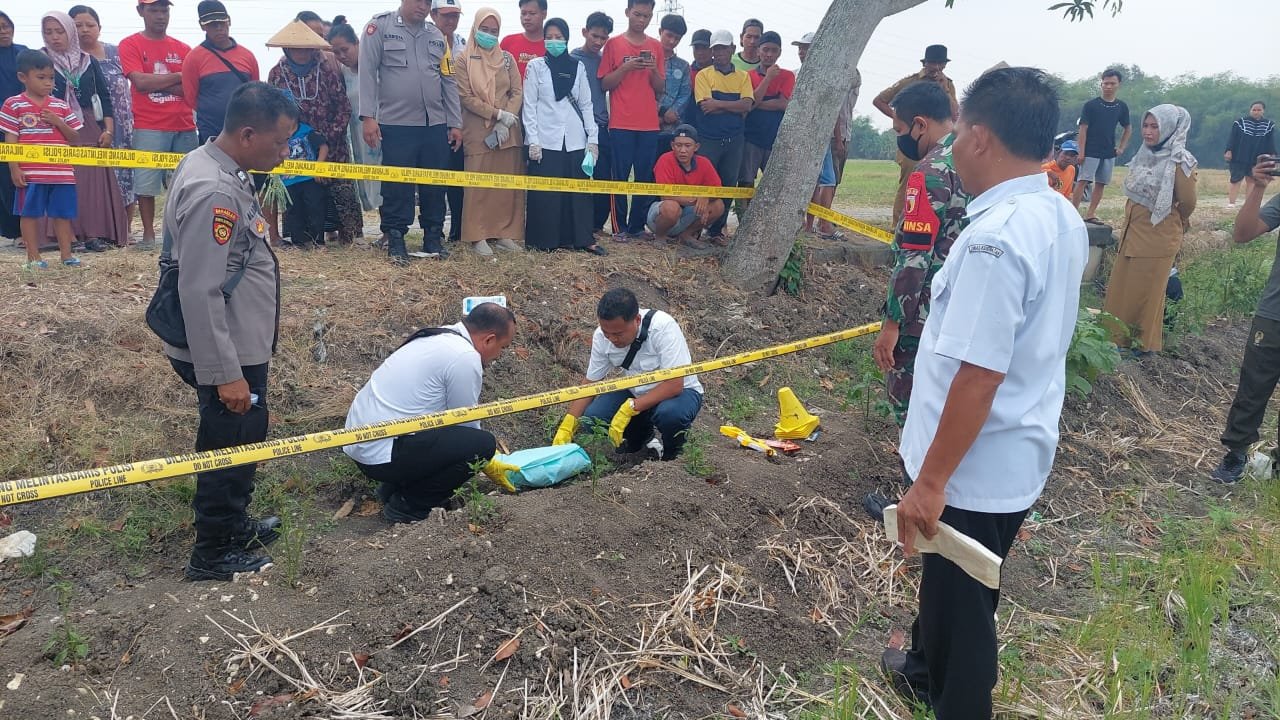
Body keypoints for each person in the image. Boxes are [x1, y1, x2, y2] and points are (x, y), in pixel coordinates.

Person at [881, 67, 1086, 719]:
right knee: (956, 595)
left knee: (962, 616)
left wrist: (931, 482)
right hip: (1014, 449)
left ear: (979, 138)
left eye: (960, 132)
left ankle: (959, 703)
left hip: (971, 469)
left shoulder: (995, 241)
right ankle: (921, 669)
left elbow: (978, 374)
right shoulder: (1056, 210)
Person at [162, 82, 296, 581]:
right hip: (227, 350)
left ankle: (235, 525)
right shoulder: (214, 191)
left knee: (244, 436)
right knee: (226, 443)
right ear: (246, 134)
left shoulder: (220, 168)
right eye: (280, 143)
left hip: (240, 342)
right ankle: (213, 552)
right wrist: (226, 375)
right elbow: (200, 291)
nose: (285, 153)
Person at [343, 303, 519, 524]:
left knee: (444, 433)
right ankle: (410, 505)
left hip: (360, 441)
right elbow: (465, 423)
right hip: (381, 453)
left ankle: (392, 489)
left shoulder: (439, 336)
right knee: (481, 444)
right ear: (489, 340)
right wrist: (488, 459)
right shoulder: (464, 357)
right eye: (502, 348)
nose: (498, 355)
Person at [868, 81, 969, 433]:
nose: (900, 137)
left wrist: (893, 324)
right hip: (964, 306)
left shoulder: (928, 174)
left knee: (913, 413)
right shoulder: (973, 162)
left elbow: (913, 257)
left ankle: (913, 486)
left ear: (920, 124)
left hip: (923, 314)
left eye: (900, 129)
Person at [360, 0, 463, 265]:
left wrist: (455, 123)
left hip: (434, 123)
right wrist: (368, 117)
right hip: (396, 123)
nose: (422, 6)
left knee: (434, 182)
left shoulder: (437, 36)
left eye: (428, 2)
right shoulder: (378, 27)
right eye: (418, 0)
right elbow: (368, 73)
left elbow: (448, 80)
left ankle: (432, 237)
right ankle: (395, 239)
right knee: (397, 185)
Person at [550, 287, 704, 461]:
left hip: (680, 394)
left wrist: (631, 408)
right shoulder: (602, 338)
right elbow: (590, 385)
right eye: (606, 333)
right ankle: (643, 442)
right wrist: (568, 424)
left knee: (670, 414)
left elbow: (674, 385)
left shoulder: (662, 328)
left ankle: (673, 455)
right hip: (636, 392)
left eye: (618, 333)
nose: (612, 339)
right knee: (593, 417)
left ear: (637, 320)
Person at [1102, 105, 1198, 355]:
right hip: (1133, 233)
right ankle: (1116, 340)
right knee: (1122, 289)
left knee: (1145, 295)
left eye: (1155, 126)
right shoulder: (1144, 154)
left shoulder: (1180, 160)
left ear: (1169, 128)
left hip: (1158, 236)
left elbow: (1187, 202)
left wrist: (1175, 221)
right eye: (1145, 125)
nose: (1148, 131)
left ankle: (1140, 348)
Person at [1210, 154, 1280, 483]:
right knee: (1253, 387)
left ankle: (1275, 463)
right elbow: (1242, 233)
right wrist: (1257, 188)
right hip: (1274, 313)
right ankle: (1236, 454)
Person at [267, 21, 363, 246]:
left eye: (306, 47)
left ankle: (348, 236)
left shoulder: (327, 72)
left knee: (339, 188)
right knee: (300, 194)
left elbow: (343, 106)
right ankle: (303, 238)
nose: (301, 52)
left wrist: (328, 136)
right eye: (296, 47)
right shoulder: (276, 75)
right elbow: (270, 111)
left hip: (331, 142)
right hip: (294, 148)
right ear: (287, 49)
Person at [40, 11, 127, 251]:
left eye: (60, 31)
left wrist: (108, 130)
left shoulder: (88, 61)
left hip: (89, 126)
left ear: (70, 32)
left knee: (91, 180)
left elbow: (105, 99)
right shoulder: (41, 59)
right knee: (59, 177)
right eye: (49, 32)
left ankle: (94, 233)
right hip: (51, 125)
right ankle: (61, 235)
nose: (55, 37)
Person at [523, 17, 605, 255]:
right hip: (546, 140)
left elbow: (587, 104)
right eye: (549, 37)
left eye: (559, 37)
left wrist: (593, 140)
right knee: (547, 194)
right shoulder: (536, 66)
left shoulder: (577, 67)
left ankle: (581, 239)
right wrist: (533, 140)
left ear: (567, 39)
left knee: (578, 194)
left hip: (575, 140)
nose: (554, 41)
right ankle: (545, 241)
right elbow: (529, 106)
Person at [119, 0, 196, 248]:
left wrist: (158, 80)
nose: (160, 16)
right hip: (148, 123)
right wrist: (176, 76)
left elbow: (191, 88)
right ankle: (149, 234)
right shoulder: (130, 44)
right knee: (146, 184)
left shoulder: (184, 48)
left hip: (184, 124)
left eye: (164, 10)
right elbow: (139, 82)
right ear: (141, 12)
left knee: (189, 182)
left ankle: (183, 232)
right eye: (154, 10)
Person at [1, 49, 84, 269]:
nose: (47, 83)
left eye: (51, 78)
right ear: (22, 77)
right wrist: (14, 168)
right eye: (41, 77)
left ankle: (67, 255)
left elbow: (75, 136)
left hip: (62, 173)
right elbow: (11, 139)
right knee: (29, 214)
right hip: (31, 173)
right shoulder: (13, 104)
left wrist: (58, 121)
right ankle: (33, 257)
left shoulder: (61, 105)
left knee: (63, 214)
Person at [455, 7, 525, 255]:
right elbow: (466, 97)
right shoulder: (463, 59)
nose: (489, 35)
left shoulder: (507, 58)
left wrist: (506, 120)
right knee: (479, 185)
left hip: (507, 131)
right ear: (475, 28)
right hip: (478, 129)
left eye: (494, 31)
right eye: (484, 30)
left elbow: (517, 91)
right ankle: (478, 235)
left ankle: (504, 233)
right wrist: (496, 115)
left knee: (505, 185)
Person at [873, 44, 958, 226]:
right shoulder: (910, 82)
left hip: (937, 144)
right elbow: (879, 100)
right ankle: (897, 228)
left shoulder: (948, 84)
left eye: (940, 63)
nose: (936, 67)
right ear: (925, 63)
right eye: (932, 63)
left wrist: (945, 90)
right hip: (913, 139)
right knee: (908, 186)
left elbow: (955, 114)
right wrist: (902, 121)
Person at [599, 0, 663, 240]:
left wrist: (654, 69)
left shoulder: (655, 47)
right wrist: (626, 68)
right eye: (637, 14)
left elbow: (660, 88)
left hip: (649, 124)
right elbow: (604, 83)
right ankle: (619, 227)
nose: (641, 20)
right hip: (621, 123)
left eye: (647, 16)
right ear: (627, 13)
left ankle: (637, 226)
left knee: (644, 177)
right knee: (620, 176)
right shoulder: (614, 44)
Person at [71, 5, 136, 237]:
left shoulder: (117, 52)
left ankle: (124, 231)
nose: (84, 30)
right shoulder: (68, 59)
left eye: (90, 25)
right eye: (77, 25)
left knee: (125, 176)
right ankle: (94, 230)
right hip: (89, 126)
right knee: (95, 178)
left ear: (99, 28)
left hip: (124, 124)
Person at [692, 30, 752, 244]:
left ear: (732, 49)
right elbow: (705, 107)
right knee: (704, 185)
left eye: (723, 48)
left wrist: (718, 103)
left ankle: (716, 231)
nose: (719, 53)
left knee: (727, 184)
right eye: (715, 48)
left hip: (735, 140)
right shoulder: (704, 75)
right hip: (709, 139)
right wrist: (733, 106)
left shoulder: (743, 76)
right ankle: (695, 229)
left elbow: (747, 105)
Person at [182, 0, 258, 144]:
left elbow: (254, 93)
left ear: (229, 21)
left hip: (243, 130)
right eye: (212, 24)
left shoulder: (247, 56)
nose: (219, 28)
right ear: (202, 26)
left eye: (222, 23)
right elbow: (191, 97)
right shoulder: (194, 57)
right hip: (210, 132)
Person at [571, 11, 618, 235]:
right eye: (595, 36)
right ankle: (576, 223)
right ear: (584, 32)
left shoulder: (605, 62)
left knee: (602, 177)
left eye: (603, 38)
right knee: (577, 177)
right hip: (575, 128)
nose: (598, 42)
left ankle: (598, 225)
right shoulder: (571, 59)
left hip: (600, 127)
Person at [327, 23, 382, 214]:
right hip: (358, 136)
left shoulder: (376, 67)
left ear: (357, 43)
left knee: (386, 179)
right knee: (368, 181)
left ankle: (390, 230)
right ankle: (384, 229)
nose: (342, 56)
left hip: (381, 132)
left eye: (345, 50)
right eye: (337, 52)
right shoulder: (343, 71)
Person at [793, 32, 840, 239]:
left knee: (826, 179)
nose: (802, 52)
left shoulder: (829, 77)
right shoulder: (794, 75)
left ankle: (820, 222)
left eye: (806, 48)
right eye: (800, 48)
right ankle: (806, 223)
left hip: (821, 138)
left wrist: (837, 137)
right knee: (807, 180)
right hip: (799, 135)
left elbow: (834, 110)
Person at [646, 124, 723, 247]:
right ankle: (660, 237)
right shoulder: (665, 159)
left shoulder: (704, 162)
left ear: (696, 147)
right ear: (672, 146)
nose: (683, 150)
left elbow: (717, 190)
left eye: (688, 146)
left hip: (687, 213)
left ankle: (686, 235)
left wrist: (707, 198)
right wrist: (700, 199)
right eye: (678, 145)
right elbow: (665, 196)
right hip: (661, 215)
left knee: (718, 205)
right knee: (671, 207)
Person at [1071, 68, 1131, 223]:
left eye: (1112, 83)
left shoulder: (1121, 107)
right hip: (1091, 149)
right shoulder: (1091, 105)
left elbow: (1128, 128)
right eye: (1105, 83)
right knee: (1083, 181)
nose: (1108, 86)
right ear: (1101, 84)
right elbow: (1083, 129)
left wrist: (1121, 147)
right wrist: (1081, 151)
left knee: (1101, 183)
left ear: (1119, 85)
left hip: (1108, 151)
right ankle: (1073, 214)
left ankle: (1090, 213)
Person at [739, 31, 793, 200]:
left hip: (776, 139)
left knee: (776, 184)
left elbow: (783, 104)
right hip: (751, 137)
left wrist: (755, 104)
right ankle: (743, 221)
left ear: (780, 52)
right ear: (758, 51)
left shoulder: (787, 75)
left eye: (774, 50)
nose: (769, 54)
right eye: (766, 50)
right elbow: (750, 103)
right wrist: (768, 78)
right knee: (746, 181)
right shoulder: (748, 76)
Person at [430, 0, 467, 243]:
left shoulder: (464, 44)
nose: (451, 21)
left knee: (458, 180)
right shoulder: (425, 40)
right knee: (435, 182)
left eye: (455, 16)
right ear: (433, 15)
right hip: (432, 123)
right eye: (446, 16)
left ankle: (458, 230)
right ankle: (434, 230)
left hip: (458, 123)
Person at [280, 116, 330, 249]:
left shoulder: (307, 131)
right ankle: (299, 242)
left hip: (309, 180)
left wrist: (318, 168)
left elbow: (323, 146)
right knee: (293, 211)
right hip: (288, 181)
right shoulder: (277, 133)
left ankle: (318, 241)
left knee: (315, 209)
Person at [0, 11, 28, 240]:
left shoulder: (23, 53)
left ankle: (24, 229)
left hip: (24, 124)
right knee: (3, 178)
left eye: (6, 26)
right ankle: (9, 229)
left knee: (22, 175)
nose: (3, 31)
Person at [1225, 102, 1275, 209]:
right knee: (1236, 179)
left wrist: (1272, 154)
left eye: (1259, 110)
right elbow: (1232, 138)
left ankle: (1248, 205)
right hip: (1239, 155)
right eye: (1254, 110)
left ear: (1263, 111)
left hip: (1257, 156)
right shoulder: (1240, 122)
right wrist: (1229, 150)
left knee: (1252, 180)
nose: (1256, 112)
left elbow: (1271, 141)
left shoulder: (1269, 125)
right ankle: (1231, 203)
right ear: (1250, 110)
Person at [654, 13, 688, 158]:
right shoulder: (647, 58)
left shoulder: (683, 66)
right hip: (645, 126)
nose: (672, 41)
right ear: (660, 31)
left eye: (677, 38)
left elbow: (685, 94)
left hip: (671, 130)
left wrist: (671, 114)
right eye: (669, 35)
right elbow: (640, 90)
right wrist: (657, 113)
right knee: (644, 175)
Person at [501, 0, 545, 78]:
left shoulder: (551, 46)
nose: (527, 18)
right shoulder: (507, 42)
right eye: (523, 13)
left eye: (532, 13)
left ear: (544, 14)